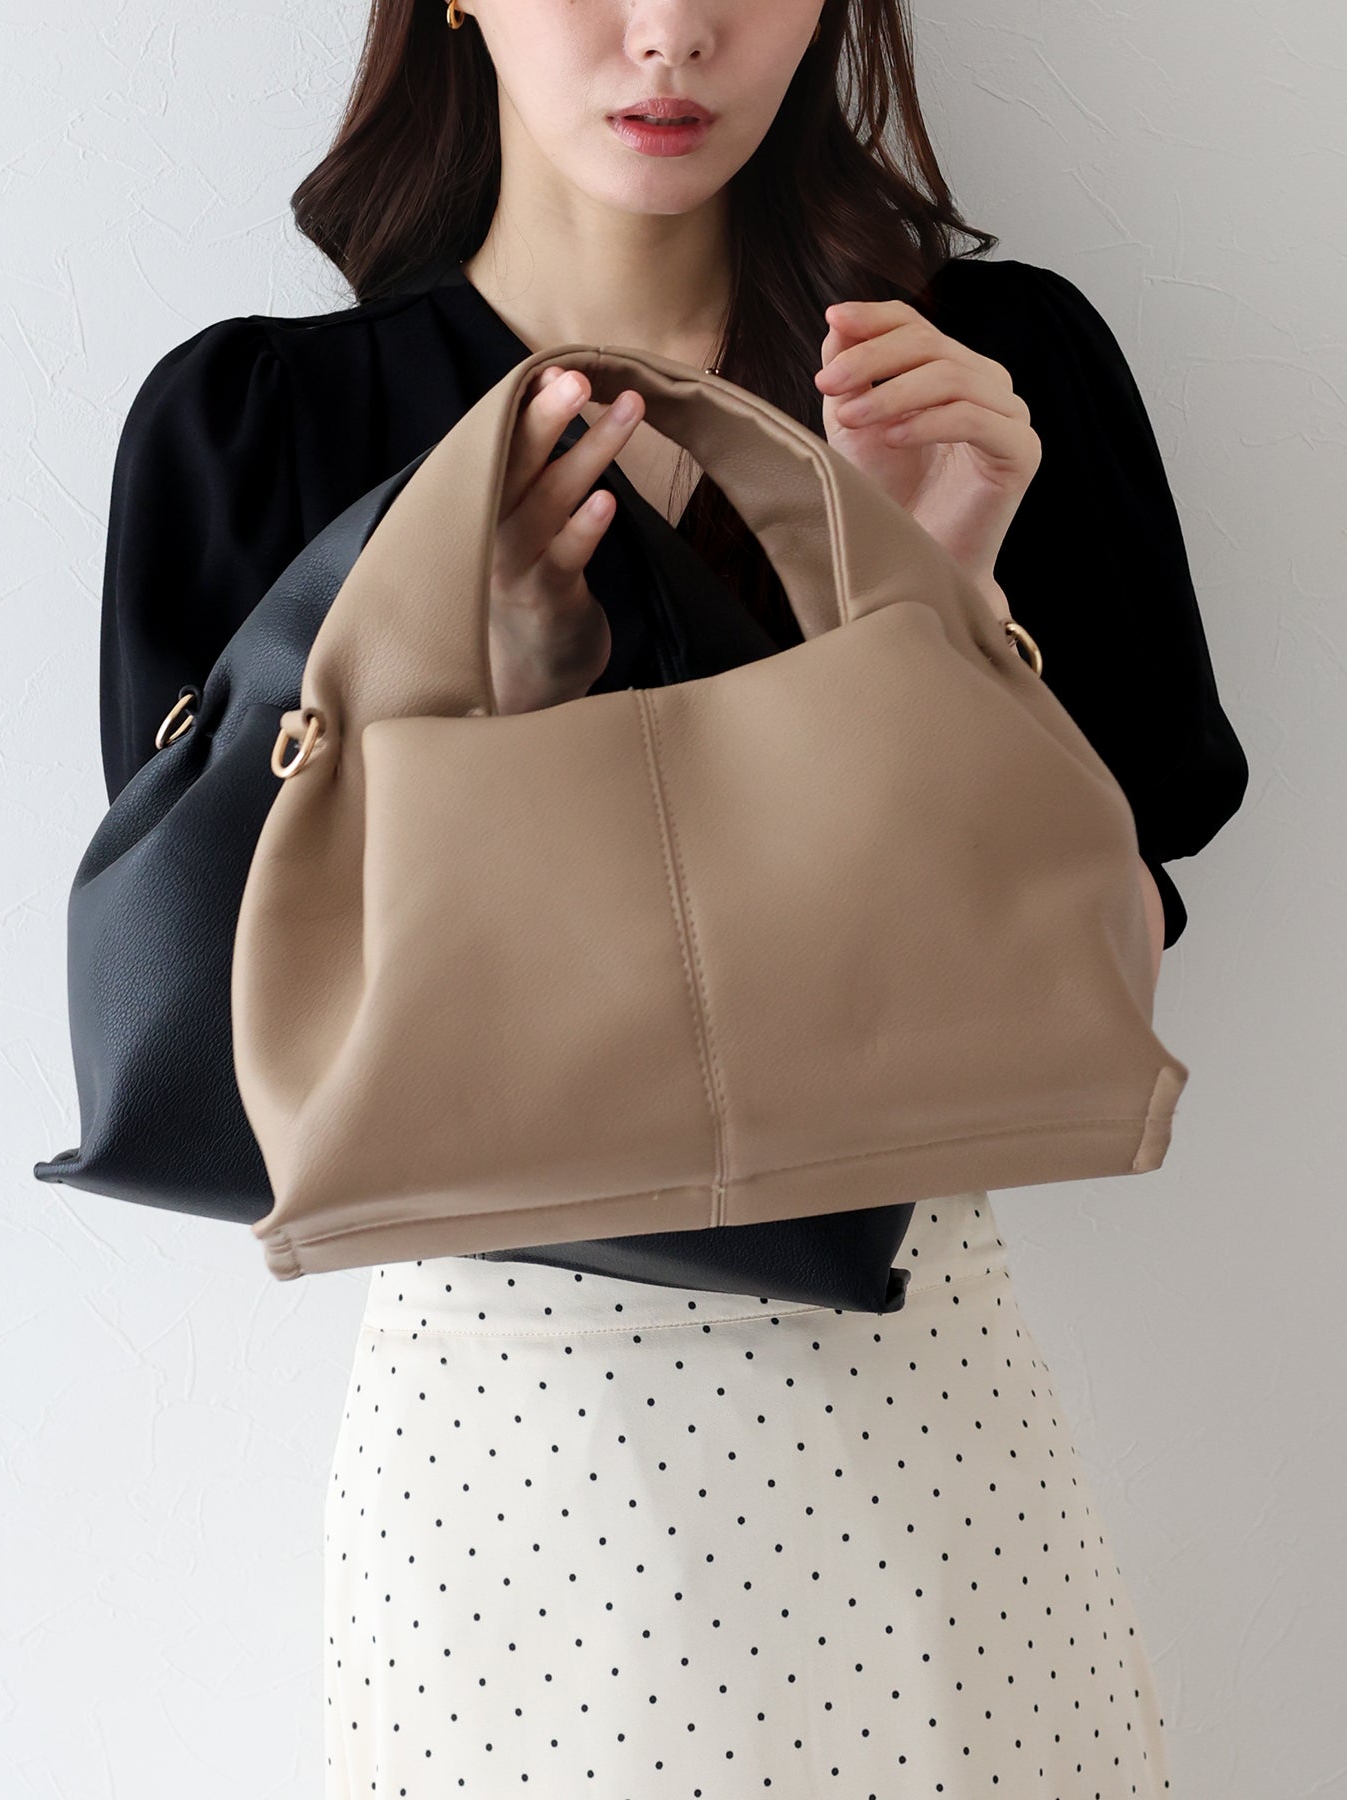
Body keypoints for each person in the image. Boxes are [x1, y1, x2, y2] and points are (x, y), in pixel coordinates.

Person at [98, 2, 1249, 1792]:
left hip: (919, 1416)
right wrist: (479, 711)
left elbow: (1114, 940)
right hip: (509, 1456)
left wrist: (929, 602)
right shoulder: (267, 435)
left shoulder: (986, 380)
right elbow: (226, 1022)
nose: (671, 32)